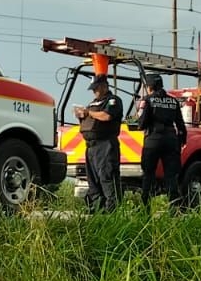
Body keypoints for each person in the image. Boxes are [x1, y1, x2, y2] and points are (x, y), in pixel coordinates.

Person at [134, 73, 187, 209]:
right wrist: (181, 141)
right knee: (171, 176)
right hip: (171, 139)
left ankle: (145, 208)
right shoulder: (173, 101)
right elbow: (181, 125)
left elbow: (141, 123)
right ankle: (174, 208)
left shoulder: (147, 100)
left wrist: (135, 119)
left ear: (149, 86)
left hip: (153, 139)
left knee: (148, 174)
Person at [75, 73, 124, 211]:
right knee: (93, 180)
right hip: (91, 146)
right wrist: (81, 115)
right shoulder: (92, 103)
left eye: (95, 88)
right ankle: (97, 209)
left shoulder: (113, 100)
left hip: (106, 145)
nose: (94, 91)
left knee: (107, 177)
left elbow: (106, 116)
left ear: (104, 86)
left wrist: (89, 113)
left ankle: (112, 211)